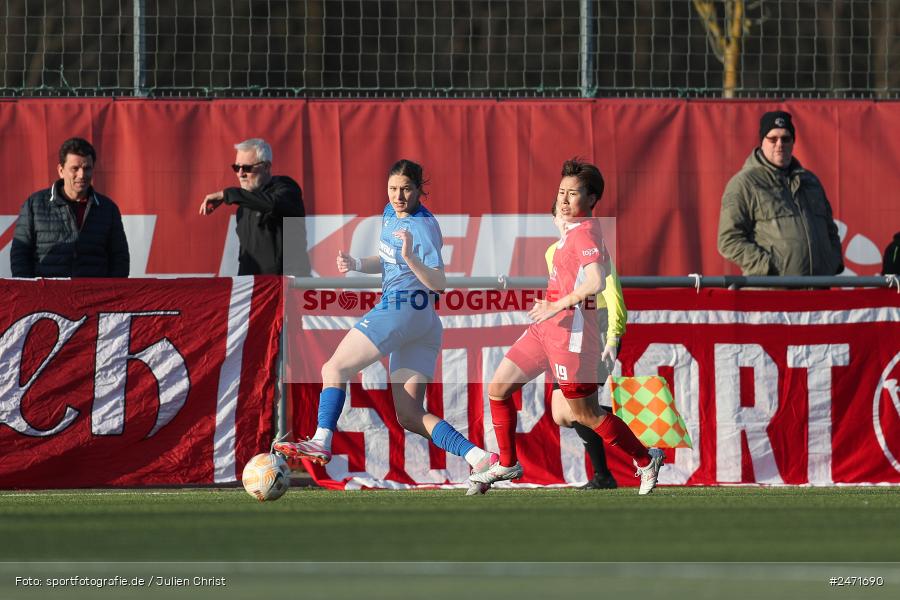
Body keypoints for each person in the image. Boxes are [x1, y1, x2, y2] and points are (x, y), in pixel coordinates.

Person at [274, 159, 498, 495]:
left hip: (402, 310)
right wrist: (357, 264)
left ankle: (322, 440)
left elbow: (439, 283)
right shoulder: (389, 213)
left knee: (333, 367)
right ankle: (480, 458)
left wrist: (411, 259)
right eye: (393, 188)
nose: (398, 195)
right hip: (423, 323)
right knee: (409, 414)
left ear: (421, 189)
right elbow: (388, 258)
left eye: (406, 188)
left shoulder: (422, 227)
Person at [471, 158, 664, 495]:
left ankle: (646, 459)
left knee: (586, 414)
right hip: (544, 333)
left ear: (591, 200)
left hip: (572, 339)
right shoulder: (568, 235)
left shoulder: (586, 232)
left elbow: (596, 282)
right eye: (561, 192)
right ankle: (507, 463)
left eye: (572, 194)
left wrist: (556, 306)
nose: (563, 200)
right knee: (498, 388)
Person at [546, 201, 626, 490]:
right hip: (569, 334)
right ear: (553, 219)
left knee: (579, 408)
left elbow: (612, 292)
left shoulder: (591, 243)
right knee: (563, 413)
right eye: (559, 214)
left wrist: (613, 336)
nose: (565, 219)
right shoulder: (552, 253)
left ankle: (603, 475)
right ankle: (623, 420)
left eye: (570, 213)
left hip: (597, 327)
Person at [717, 111, 844, 277]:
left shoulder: (810, 181)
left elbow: (830, 231)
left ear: (793, 142)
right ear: (762, 142)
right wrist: (768, 268)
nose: (779, 144)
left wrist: (832, 263)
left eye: (786, 138)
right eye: (773, 139)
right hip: (771, 294)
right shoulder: (744, 184)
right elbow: (728, 240)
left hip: (817, 293)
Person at [10, 137, 129, 277]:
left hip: (95, 297)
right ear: (61, 170)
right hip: (47, 296)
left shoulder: (108, 209)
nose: (82, 175)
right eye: (75, 168)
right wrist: (30, 293)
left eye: (87, 168)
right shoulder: (34, 205)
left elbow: (119, 259)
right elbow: (20, 255)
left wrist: (110, 294)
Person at [199, 138, 310, 276]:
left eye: (247, 168)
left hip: (288, 290)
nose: (240, 174)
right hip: (256, 291)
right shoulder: (243, 208)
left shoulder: (286, 188)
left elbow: (271, 204)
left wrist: (227, 194)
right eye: (236, 167)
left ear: (267, 167)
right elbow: (246, 260)